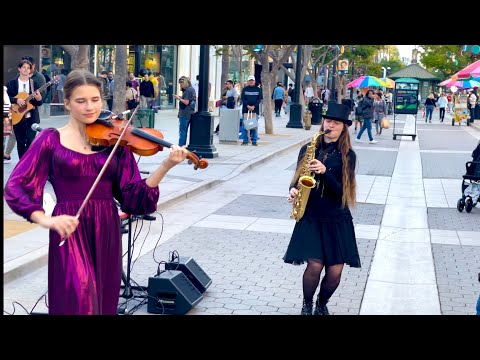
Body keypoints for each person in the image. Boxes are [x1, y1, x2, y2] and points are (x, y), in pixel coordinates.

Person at [3, 69, 189, 315]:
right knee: (78, 300)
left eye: (95, 99)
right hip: (69, 227)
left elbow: (134, 197)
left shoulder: (116, 141)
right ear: (67, 103)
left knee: (102, 301)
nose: (90, 107)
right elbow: (16, 186)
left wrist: (166, 166)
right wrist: (44, 218)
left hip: (106, 228)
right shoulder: (50, 139)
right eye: (81, 101)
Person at [284, 103, 360, 315]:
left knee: (335, 272)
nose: (331, 125)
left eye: (336, 123)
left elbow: (341, 192)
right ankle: (307, 305)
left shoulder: (348, 156)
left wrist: (325, 171)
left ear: (344, 127)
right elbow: (298, 179)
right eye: (328, 121)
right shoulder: (308, 149)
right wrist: (292, 190)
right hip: (312, 215)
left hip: (337, 216)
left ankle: (321, 303)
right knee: (315, 266)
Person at [6, 59, 43, 159]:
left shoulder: (34, 84)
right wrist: (16, 100)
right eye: (24, 67)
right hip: (17, 118)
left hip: (31, 119)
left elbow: (39, 103)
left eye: (28, 68)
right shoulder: (11, 84)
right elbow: (6, 98)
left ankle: (27, 163)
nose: (26, 70)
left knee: (31, 143)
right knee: (21, 143)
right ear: (19, 68)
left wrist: (39, 98)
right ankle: (22, 165)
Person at [240, 75, 262, 146]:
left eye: (252, 80)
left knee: (254, 126)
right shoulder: (245, 89)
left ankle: (254, 141)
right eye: (250, 80)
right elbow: (243, 99)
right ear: (248, 81)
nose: (251, 82)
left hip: (255, 110)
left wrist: (253, 106)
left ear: (254, 81)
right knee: (245, 126)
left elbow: (259, 99)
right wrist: (248, 106)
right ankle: (245, 140)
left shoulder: (258, 89)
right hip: (246, 110)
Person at [174, 76, 196, 146]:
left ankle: (181, 146)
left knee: (182, 131)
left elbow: (186, 102)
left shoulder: (188, 90)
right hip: (189, 113)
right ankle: (182, 146)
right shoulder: (191, 89)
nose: (181, 85)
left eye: (181, 84)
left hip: (185, 113)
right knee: (184, 131)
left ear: (185, 83)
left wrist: (178, 98)